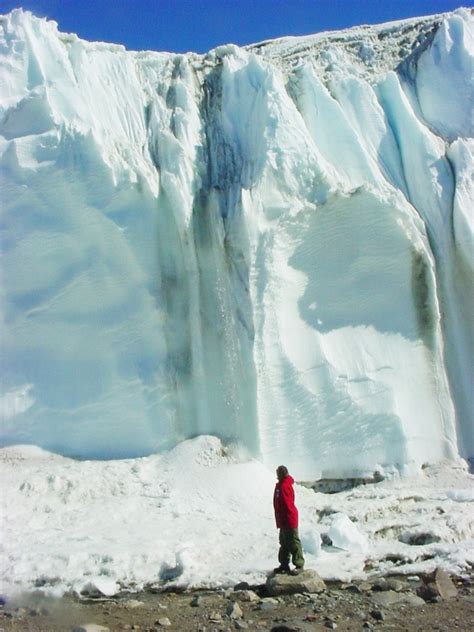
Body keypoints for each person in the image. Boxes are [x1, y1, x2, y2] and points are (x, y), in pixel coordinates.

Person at [273, 465, 305, 575]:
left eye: (278, 473)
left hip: (288, 518)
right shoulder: (281, 485)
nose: (277, 475)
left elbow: (287, 505)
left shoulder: (284, 486)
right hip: (284, 519)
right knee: (284, 542)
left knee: (293, 542)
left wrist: (286, 520)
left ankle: (299, 564)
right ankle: (284, 564)